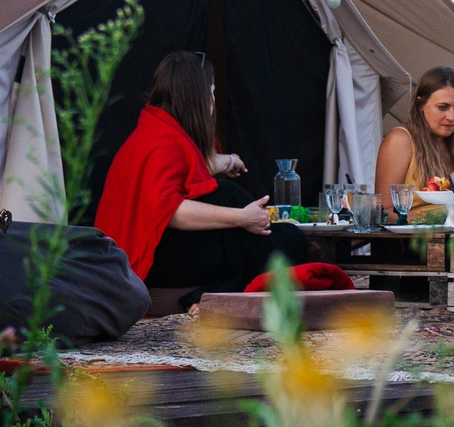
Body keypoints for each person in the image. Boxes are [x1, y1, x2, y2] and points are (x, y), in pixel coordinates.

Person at [94, 51, 310, 292]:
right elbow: (170, 210)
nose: (214, 100)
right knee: (253, 220)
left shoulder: (158, 130)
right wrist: (241, 218)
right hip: (143, 264)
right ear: (201, 96)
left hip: (140, 255)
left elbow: (183, 169)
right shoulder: (161, 141)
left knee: (270, 235)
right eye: (213, 92)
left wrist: (226, 161)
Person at [375, 65, 454, 199]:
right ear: (421, 104)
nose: (451, 117)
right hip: (417, 220)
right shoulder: (401, 140)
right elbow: (385, 209)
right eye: (442, 107)